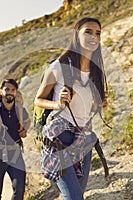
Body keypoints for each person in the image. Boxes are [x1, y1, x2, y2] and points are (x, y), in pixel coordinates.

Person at [34, 17, 108, 200]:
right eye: (88, 32)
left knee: (77, 196)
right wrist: (58, 104)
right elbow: (38, 99)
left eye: (97, 33)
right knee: (74, 198)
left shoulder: (96, 71)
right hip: (60, 137)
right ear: (76, 35)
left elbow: (87, 107)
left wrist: (99, 105)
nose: (94, 36)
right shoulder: (59, 66)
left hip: (84, 139)